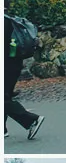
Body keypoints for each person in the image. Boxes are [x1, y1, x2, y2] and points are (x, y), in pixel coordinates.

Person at [4, 9, 44, 140]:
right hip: (14, 64)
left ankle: (31, 120)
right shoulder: (10, 19)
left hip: (6, 65)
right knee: (5, 96)